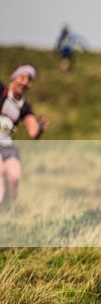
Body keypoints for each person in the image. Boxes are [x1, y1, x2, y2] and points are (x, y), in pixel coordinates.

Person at [0, 65, 49, 204]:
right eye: (22, 78)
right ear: (14, 78)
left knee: (14, 176)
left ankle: (9, 209)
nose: (24, 82)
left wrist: (40, 129)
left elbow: (33, 133)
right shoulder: (1, 91)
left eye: (29, 80)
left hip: (6, 144)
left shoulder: (24, 107)